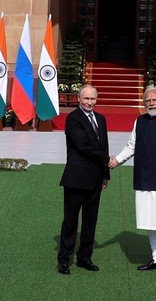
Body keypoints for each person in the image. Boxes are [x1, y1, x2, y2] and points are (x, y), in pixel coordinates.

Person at [110, 85, 156, 278]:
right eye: (148, 101)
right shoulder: (139, 121)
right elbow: (131, 146)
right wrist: (116, 160)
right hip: (143, 180)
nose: (152, 103)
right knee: (149, 220)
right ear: (144, 103)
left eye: (155, 100)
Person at [57, 85, 109, 275]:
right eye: (86, 98)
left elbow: (104, 145)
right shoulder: (73, 118)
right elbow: (83, 145)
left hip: (95, 179)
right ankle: (64, 260)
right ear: (79, 99)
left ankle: (84, 258)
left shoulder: (101, 119)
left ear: (97, 99)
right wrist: (107, 159)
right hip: (76, 179)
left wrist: (105, 174)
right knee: (70, 221)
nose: (89, 102)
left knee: (90, 221)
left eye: (92, 99)